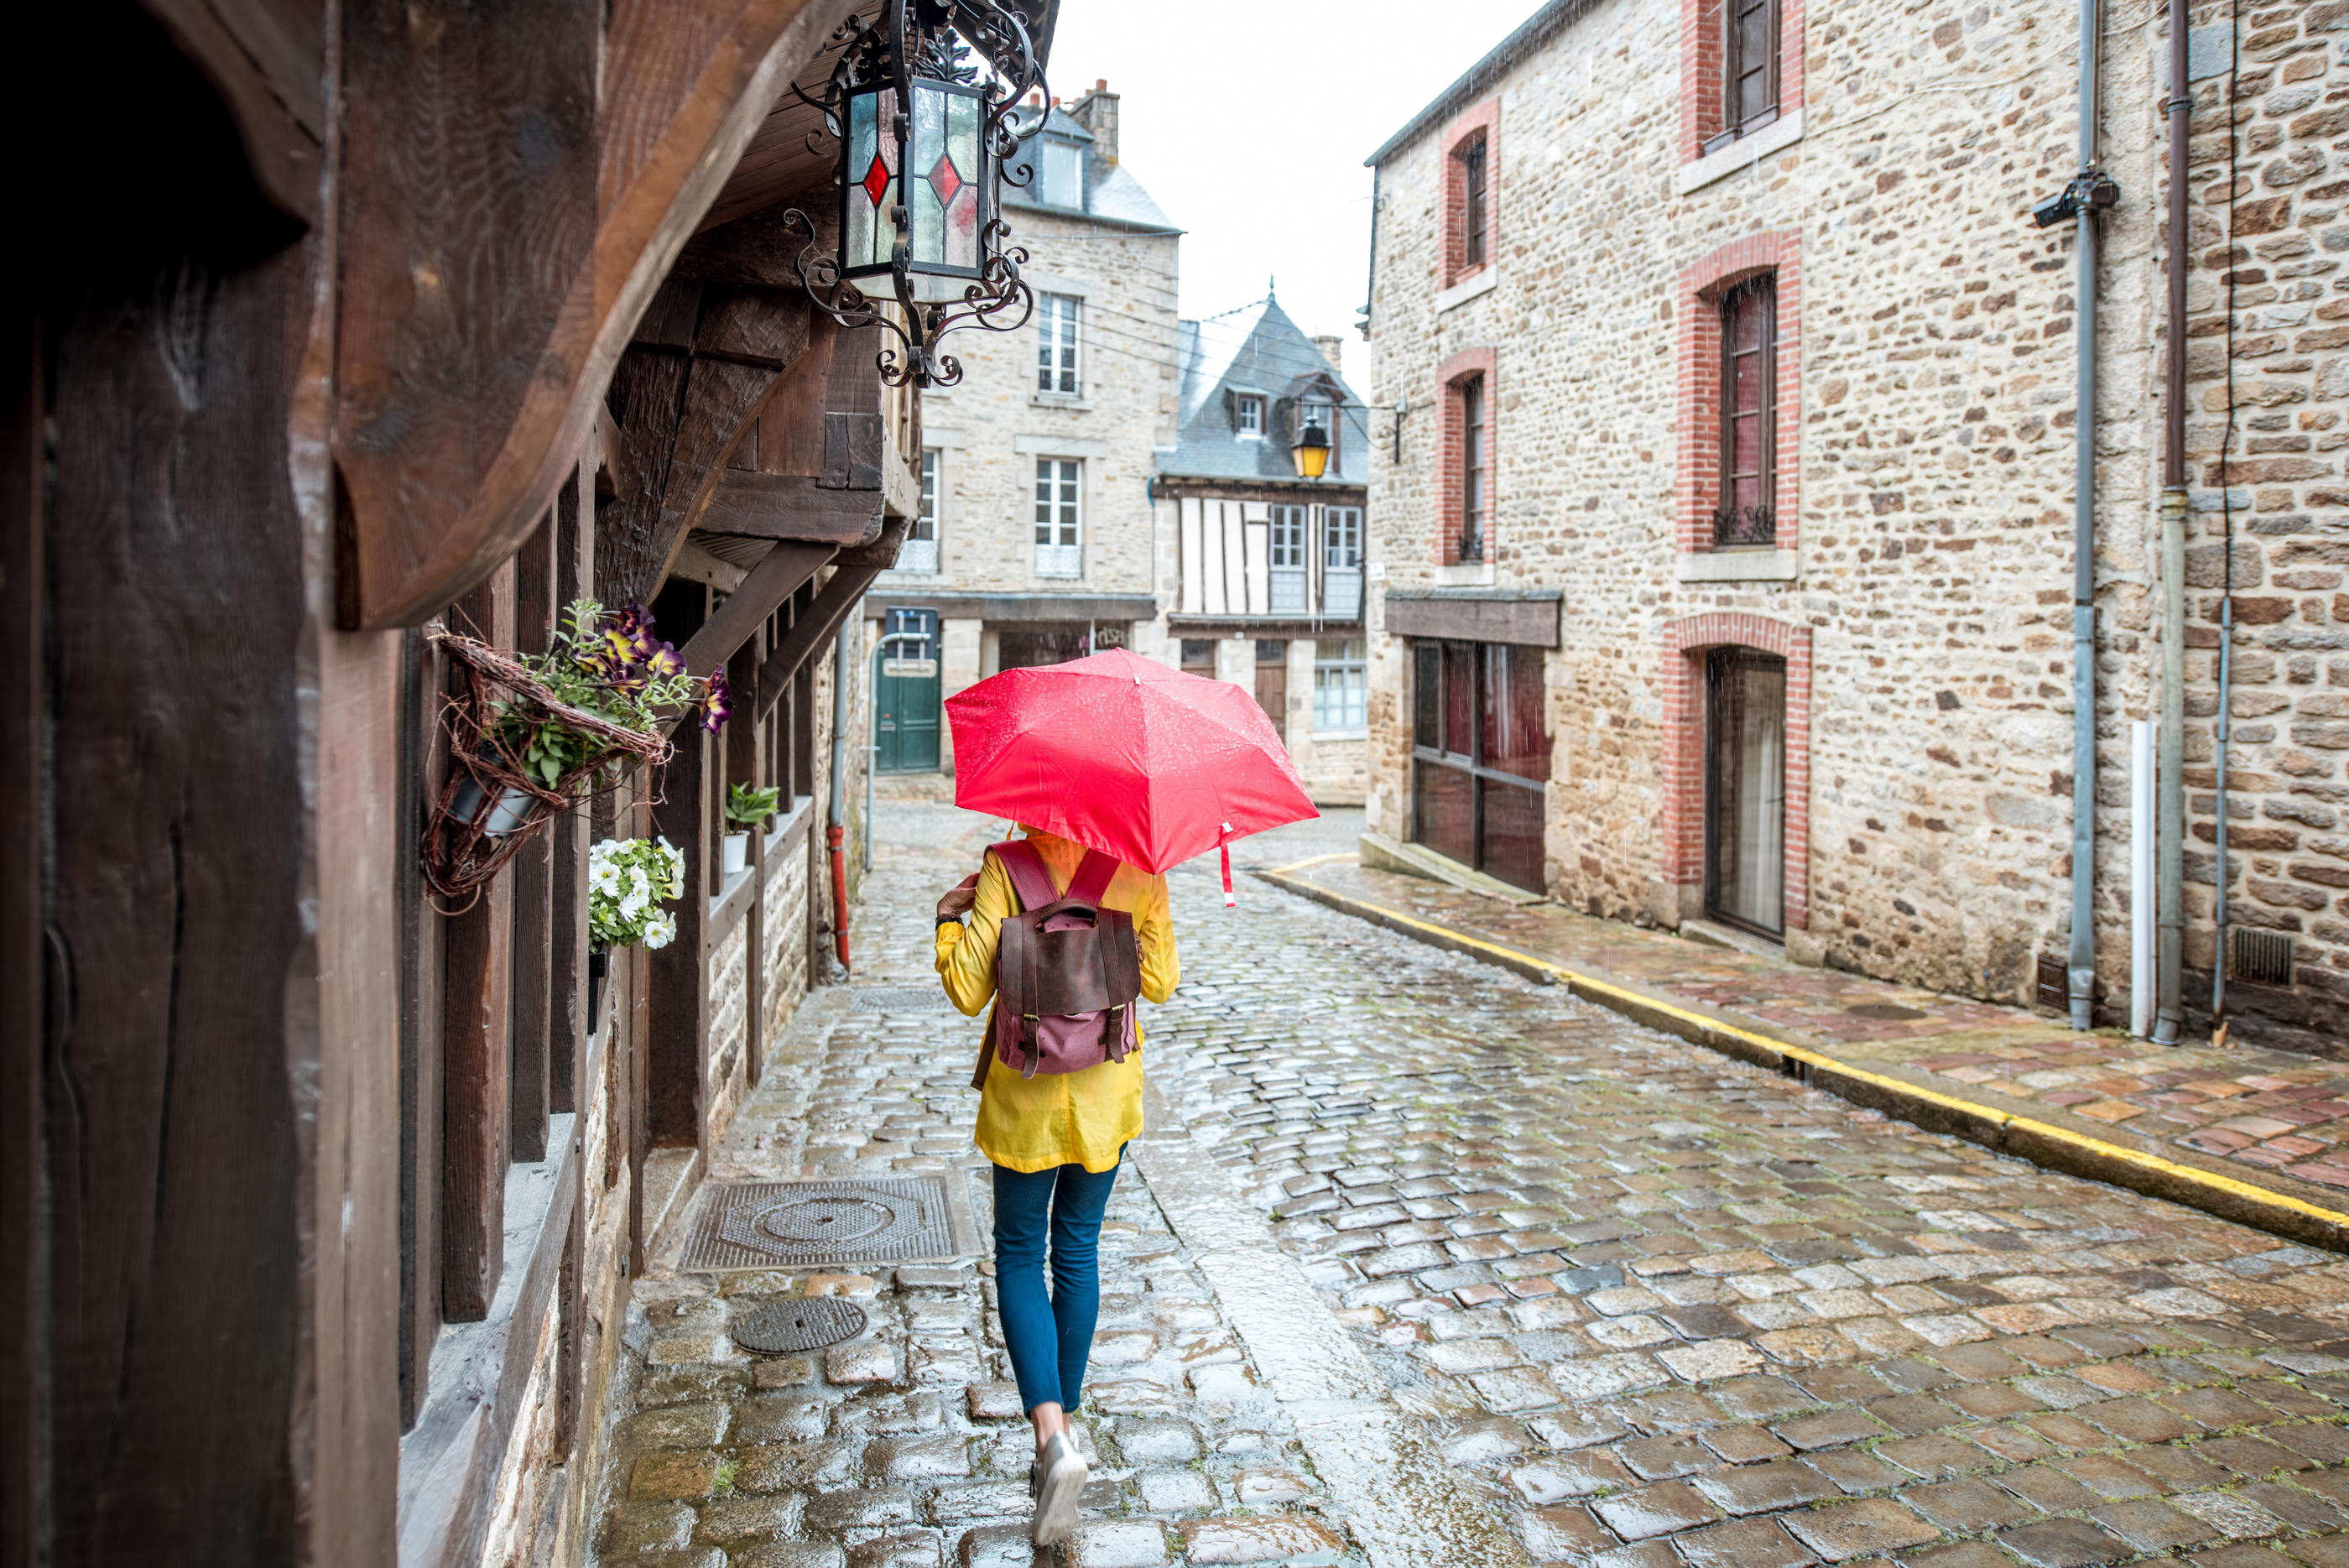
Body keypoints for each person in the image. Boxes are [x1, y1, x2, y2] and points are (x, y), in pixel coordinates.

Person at [935, 825, 1179, 1545]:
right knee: (1076, 1249)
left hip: (1026, 1099)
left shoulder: (1006, 865)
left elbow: (965, 989)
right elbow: (1161, 983)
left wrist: (951, 920)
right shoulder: (1140, 866)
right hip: (1106, 1097)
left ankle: (1051, 1432)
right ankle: (1065, 1429)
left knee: (1017, 1253)